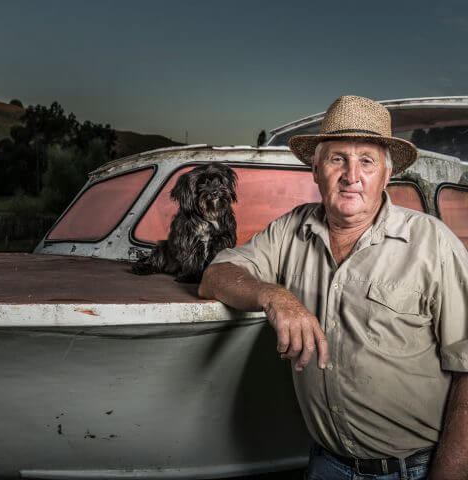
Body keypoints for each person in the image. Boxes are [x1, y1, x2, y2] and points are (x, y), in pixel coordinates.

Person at [198, 95, 468, 480]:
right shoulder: (289, 230)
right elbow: (216, 275)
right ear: (315, 170)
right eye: (337, 158)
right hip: (326, 464)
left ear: (386, 175)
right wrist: (275, 296)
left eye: (367, 162)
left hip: (414, 470)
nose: (351, 176)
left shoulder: (432, 243)